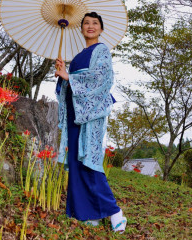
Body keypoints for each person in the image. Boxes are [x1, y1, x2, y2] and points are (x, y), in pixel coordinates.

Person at [54, 12, 127, 233]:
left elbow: (102, 79)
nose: (90, 26)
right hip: (74, 112)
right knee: (77, 162)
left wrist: (70, 78)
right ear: (81, 28)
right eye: (86, 23)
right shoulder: (77, 57)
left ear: (101, 29)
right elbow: (67, 87)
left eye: (95, 23)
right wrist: (62, 74)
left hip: (91, 114)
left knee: (90, 161)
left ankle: (114, 211)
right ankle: (88, 213)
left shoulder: (101, 50)